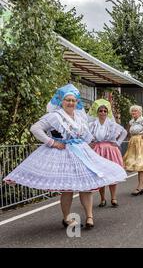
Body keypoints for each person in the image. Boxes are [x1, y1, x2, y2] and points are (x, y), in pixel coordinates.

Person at [4, 84, 127, 229]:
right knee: (68, 189)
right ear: (61, 101)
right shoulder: (55, 116)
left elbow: (86, 135)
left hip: (80, 152)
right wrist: (52, 142)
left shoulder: (80, 117)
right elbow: (35, 129)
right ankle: (67, 218)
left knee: (86, 186)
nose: (70, 103)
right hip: (63, 153)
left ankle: (89, 217)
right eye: (67, 100)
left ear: (77, 102)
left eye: (73, 100)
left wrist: (91, 144)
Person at [88, 99, 127, 208]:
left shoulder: (111, 123)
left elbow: (124, 132)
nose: (103, 113)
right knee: (100, 175)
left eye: (105, 111)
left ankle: (113, 198)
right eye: (101, 111)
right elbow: (84, 134)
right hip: (97, 151)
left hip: (110, 150)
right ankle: (102, 199)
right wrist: (89, 143)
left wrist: (118, 143)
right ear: (97, 112)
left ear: (107, 112)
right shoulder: (92, 124)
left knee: (112, 174)